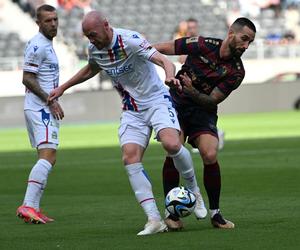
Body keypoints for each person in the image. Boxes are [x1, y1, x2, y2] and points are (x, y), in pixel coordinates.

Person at [48, 10, 207, 235]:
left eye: (93, 34)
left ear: (106, 25)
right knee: (129, 157)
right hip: (132, 109)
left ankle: (194, 190)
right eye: (87, 37)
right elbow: (90, 69)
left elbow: (163, 60)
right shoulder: (95, 49)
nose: (91, 40)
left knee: (171, 144)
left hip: (157, 100)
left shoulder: (130, 40)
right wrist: (62, 88)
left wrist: (170, 76)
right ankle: (154, 219)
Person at [154, 17, 256, 230]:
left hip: (203, 111)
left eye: (250, 43)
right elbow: (169, 47)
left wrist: (192, 90)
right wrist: (143, 51)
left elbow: (213, 100)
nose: (246, 46)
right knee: (174, 150)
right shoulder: (202, 44)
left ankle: (215, 214)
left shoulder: (237, 71)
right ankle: (171, 214)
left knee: (210, 154)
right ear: (231, 33)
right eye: (244, 39)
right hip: (177, 104)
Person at [16, 4, 64, 224]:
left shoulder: (46, 44)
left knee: (47, 158)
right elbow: (27, 78)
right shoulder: (38, 45)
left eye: (55, 19)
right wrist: (50, 100)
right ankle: (27, 205)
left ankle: (33, 207)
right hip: (40, 108)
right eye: (48, 21)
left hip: (41, 107)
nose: (53, 24)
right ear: (38, 23)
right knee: (49, 156)